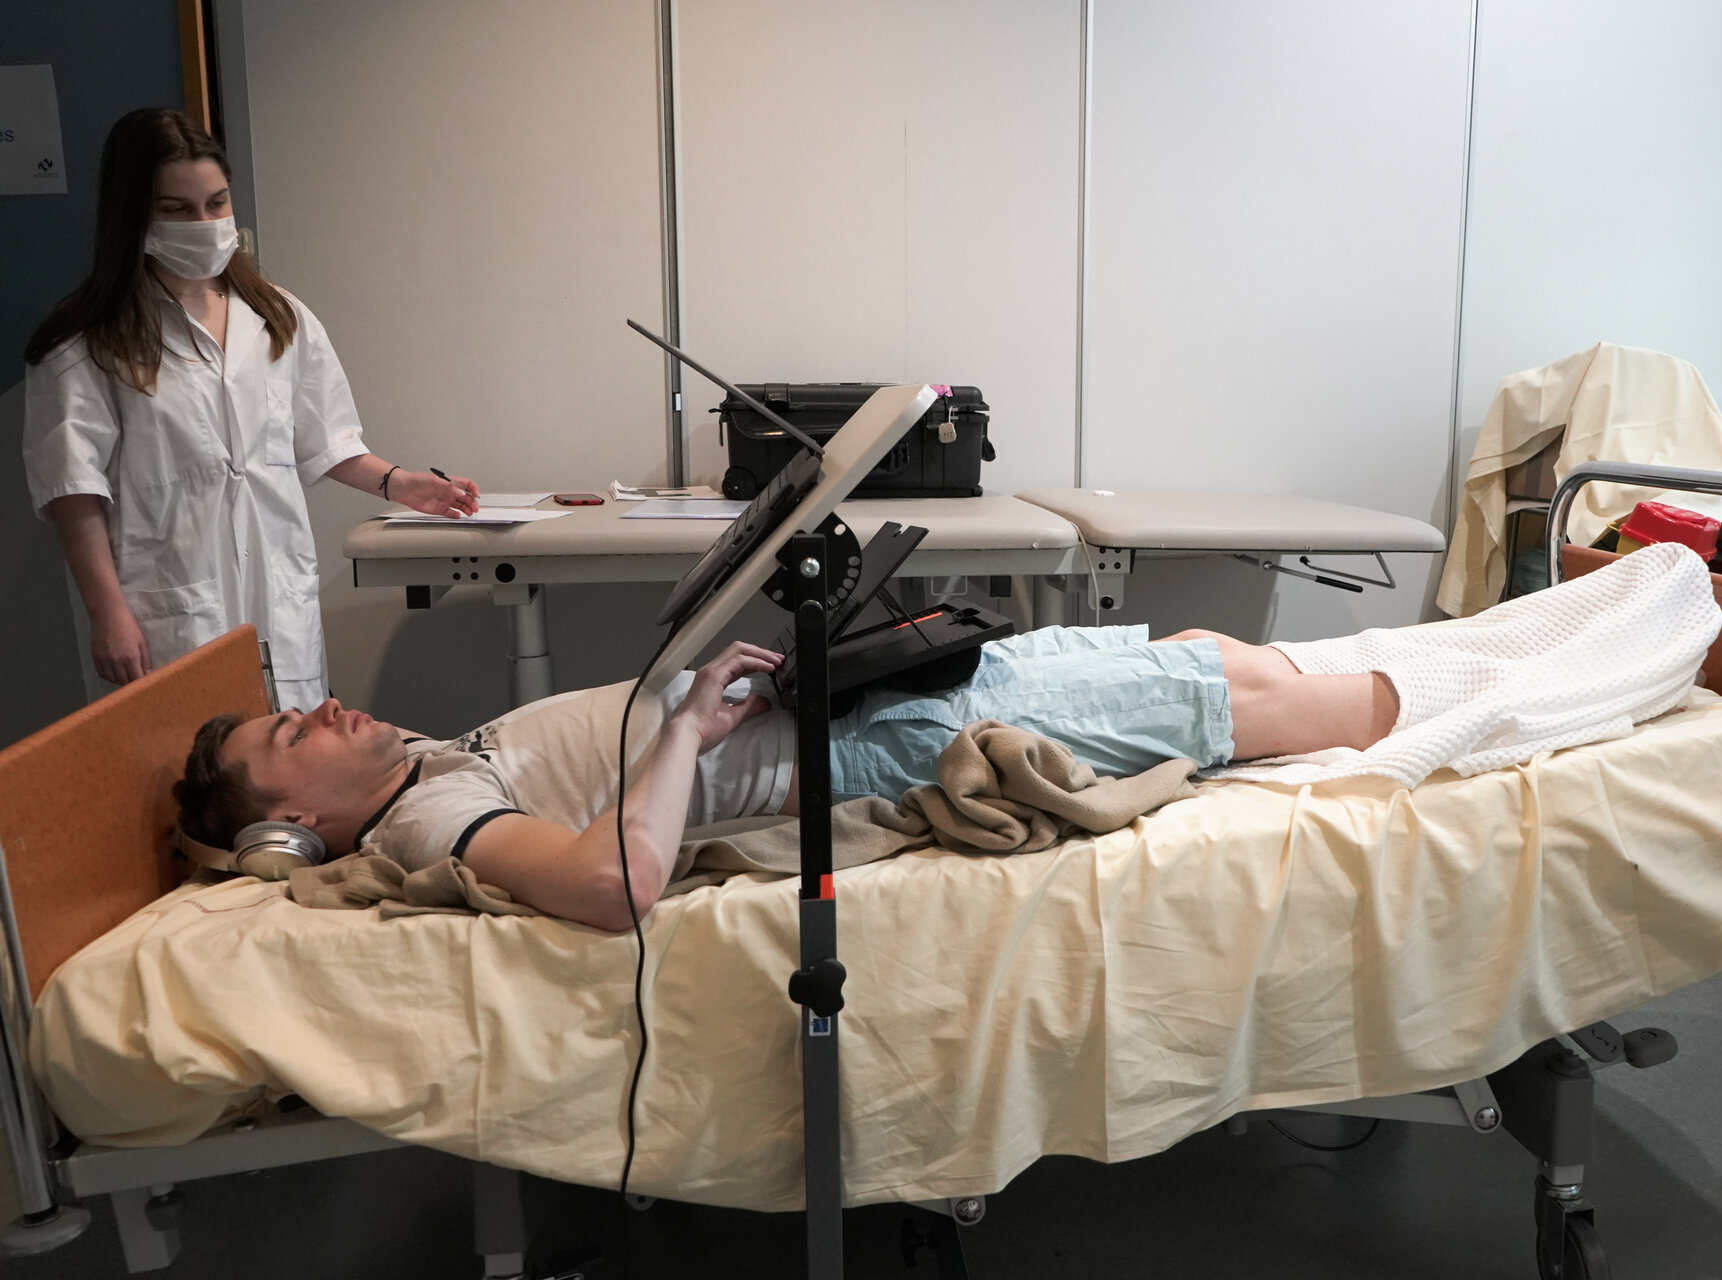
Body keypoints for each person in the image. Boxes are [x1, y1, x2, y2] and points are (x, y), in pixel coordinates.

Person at [173, 625, 1399, 931]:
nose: (320, 707)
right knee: (1257, 706)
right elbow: (611, 884)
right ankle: (1478, 707)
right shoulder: (432, 817)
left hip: (853, 695)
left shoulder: (428, 760)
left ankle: (1446, 670)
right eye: (290, 732)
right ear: (296, 818)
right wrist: (689, 729)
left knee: (1205, 654)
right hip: (872, 744)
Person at [21, 107, 479, 712]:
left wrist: (402, 484)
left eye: (216, 203)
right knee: (182, 758)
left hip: (277, 595)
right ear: (132, 214)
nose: (204, 223)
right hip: (164, 608)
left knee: (290, 748)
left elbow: (324, 439)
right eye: (177, 208)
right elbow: (73, 492)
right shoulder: (86, 341)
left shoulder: (277, 316)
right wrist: (107, 613)